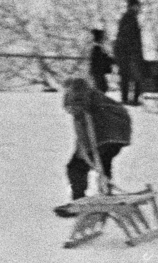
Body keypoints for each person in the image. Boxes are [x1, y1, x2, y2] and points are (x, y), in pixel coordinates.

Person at [54, 77, 132, 214]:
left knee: (75, 167)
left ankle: (79, 202)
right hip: (120, 135)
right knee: (103, 163)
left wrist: (76, 104)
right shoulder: (96, 96)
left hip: (104, 135)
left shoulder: (77, 93)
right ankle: (105, 194)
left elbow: (80, 100)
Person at [114, 0, 144, 105]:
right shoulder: (129, 18)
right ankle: (130, 100)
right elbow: (128, 39)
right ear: (132, 6)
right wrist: (133, 54)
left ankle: (128, 99)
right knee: (134, 77)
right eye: (137, 5)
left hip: (127, 55)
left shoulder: (129, 18)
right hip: (128, 55)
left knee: (128, 77)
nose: (138, 8)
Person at [86, 29, 115, 93]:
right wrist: (113, 61)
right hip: (98, 71)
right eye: (102, 37)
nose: (104, 38)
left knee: (102, 88)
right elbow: (102, 59)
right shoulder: (97, 48)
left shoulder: (98, 47)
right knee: (102, 88)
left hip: (97, 71)